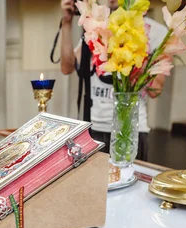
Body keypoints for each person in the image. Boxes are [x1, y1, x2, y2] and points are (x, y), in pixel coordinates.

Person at [59, 0, 167, 161]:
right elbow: (67, 67)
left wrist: (135, 45)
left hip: (131, 130)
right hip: (95, 127)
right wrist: (67, 22)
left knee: (130, 183)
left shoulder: (153, 31)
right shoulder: (97, 27)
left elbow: (156, 90)